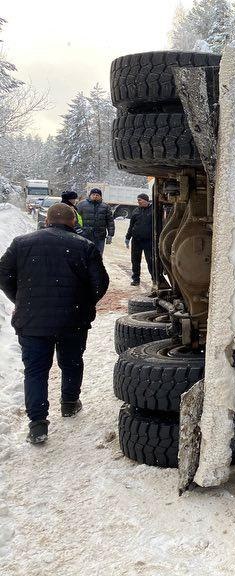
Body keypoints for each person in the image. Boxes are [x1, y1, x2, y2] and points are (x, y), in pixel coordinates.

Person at [0, 203, 110, 444]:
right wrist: (84, 303)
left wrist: (21, 298)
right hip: (72, 320)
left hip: (32, 321)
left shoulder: (21, 243)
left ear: (47, 220)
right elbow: (100, 283)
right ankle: (69, 403)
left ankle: (38, 424)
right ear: (73, 222)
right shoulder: (85, 246)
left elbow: (3, 274)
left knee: (36, 371)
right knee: (71, 363)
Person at [125, 193, 155, 286]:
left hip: (148, 240)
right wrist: (127, 237)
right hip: (136, 240)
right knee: (135, 260)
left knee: (150, 261)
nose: (138, 202)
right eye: (138, 200)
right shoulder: (136, 211)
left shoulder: (153, 210)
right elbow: (131, 226)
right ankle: (136, 279)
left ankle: (154, 279)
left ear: (146, 200)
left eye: (140, 200)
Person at [77, 187, 115, 253]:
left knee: (98, 255)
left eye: (97, 195)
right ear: (90, 195)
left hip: (100, 236)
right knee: (85, 255)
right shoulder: (81, 205)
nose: (95, 196)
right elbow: (75, 218)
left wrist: (110, 234)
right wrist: (78, 229)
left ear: (100, 197)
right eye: (93, 194)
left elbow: (110, 221)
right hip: (85, 235)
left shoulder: (106, 207)